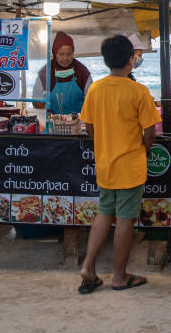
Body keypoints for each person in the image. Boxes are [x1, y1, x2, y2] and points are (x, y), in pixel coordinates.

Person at [77, 35, 158, 293]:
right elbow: (150, 131)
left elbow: (88, 126)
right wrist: (142, 150)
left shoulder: (96, 89)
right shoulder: (138, 91)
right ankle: (120, 276)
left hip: (105, 164)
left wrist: (104, 143)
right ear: (130, 60)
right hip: (130, 166)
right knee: (124, 220)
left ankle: (88, 267)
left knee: (104, 212)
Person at [32, 31, 92, 114]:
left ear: (73, 53)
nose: (65, 58)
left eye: (69, 54)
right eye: (61, 54)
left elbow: (91, 100)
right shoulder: (45, 72)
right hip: (52, 122)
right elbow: (36, 100)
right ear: (55, 53)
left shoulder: (82, 72)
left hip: (78, 122)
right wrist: (51, 117)